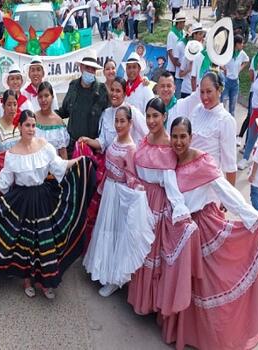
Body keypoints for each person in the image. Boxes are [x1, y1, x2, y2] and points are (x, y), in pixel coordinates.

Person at [161, 117, 258, 350]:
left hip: (203, 230)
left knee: (205, 285)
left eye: (182, 136)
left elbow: (226, 191)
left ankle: (210, 338)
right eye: (174, 136)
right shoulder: (169, 161)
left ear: (191, 137)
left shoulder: (203, 163)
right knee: (186, 285)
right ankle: (183, 332)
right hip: (180, 231)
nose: (178, 141)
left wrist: (252, 217)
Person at [0, 110, 96, 299]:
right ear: (20, 127)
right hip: (22, 202)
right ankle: (27, 280)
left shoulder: (45, 146)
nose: (31, 129)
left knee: (44, 241)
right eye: (27, 125)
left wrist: (80, 160)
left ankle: (45, 282)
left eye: (33, 125)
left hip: (44, 198)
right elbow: (3, 182)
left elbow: (59, 166)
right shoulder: (12, 154)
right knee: (26, 243)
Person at [128, 97, 200, 317]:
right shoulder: (145, 139)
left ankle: (148, 303)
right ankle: (136, 296)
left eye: (155, 116)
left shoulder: (169, 147)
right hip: (141, 201)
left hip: (157, 205)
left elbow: (171, 185)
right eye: (148, 115)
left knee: (151, 253)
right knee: (138, 250)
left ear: (165, 116)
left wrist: (181, 214)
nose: (151, 120)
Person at [83, 105, 155, 297]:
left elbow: (132, 175)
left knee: (116, 234)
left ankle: (115, 280)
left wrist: (136, 193)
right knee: (105, 230)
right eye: (116, 120)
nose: (119, 125)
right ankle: (101, 270)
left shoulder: (131, 148)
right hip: (109, 191)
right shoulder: (114, 140)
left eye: (123, 121)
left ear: (130, 123)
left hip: (120, 194)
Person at [57, 50, 109, 155]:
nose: (90, 71)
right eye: (87, 68)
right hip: (72, 147)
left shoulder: (102, 90)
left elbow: (108, 119)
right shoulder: (73, 86)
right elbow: (64, 111)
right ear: (81, 68)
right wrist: (47, 115)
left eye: (92, 69)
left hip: (93, 149)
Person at [189, 72, 237, 185]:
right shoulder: (197, 110)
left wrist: (228, 200)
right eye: (202, 92)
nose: (204, 97)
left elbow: (230, 166)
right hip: (189, 179)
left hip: (209, 185)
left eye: (209, 91)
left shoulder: (226, 120)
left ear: (219, 90)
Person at [79, 77, 148, 153]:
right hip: (110, 161)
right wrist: (87, 140)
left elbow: (147, 133)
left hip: (129, 161)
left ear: (124, 94)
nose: (114, 94)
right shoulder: (105, 113)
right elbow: (102, 142)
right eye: (112, 90)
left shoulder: (132, 111)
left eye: (118, 91)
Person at [35, 82, 69, 159]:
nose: (43, 100)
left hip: (54, 168)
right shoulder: (33, 119)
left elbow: (63, 152)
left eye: (46, 96)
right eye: (40, 97)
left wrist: (66, 169)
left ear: (52, 97)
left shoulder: (58, 122)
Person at [0, 89, 21, 172]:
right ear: (3, 106)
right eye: (9, 105)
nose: (12, 108)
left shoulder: (20, 126)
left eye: (15, 104)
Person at [221, 34, 249, 117]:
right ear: (236, 44)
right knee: (222, 104)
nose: (242, 45)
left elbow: (247, 60)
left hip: (235, 82)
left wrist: (240, 69)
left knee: (232, 106)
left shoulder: (242, 53)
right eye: (241, 43)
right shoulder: (228, 52)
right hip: (226, 80)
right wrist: (223, 68)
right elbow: (220, 62)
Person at [166, 12, 186, 86]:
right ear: (179, 23)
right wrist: (175, 63)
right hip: (172, 66)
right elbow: (169, 51)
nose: (184, 24)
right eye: (183, 22)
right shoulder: (171, 34)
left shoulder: (183, 33)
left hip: (180, 65)